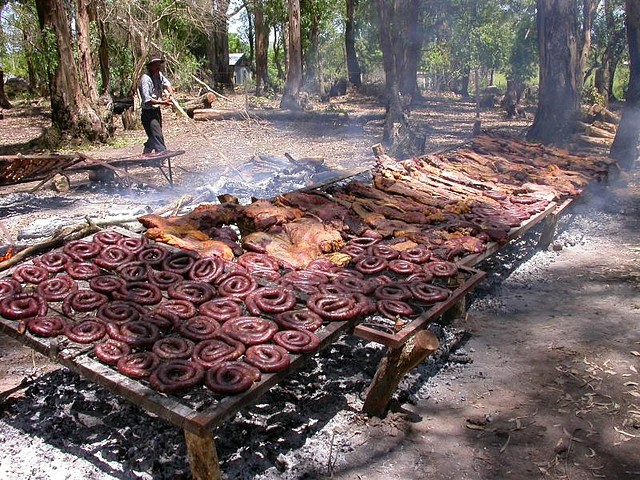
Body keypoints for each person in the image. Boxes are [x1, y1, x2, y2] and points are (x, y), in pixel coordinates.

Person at [138, 57, 174, 154]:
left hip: (156, 111)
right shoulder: (146, 79)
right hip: (148, 113)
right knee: (157, 136)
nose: (158, 67)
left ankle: (146, 155)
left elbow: (167, 84)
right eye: (155, 65)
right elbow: (147, 100)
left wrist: (170, 93)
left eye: (159, 64)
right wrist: (164, 102)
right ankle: (163, 157)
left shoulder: (159, 75)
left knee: (153, 137)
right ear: (150, 66)